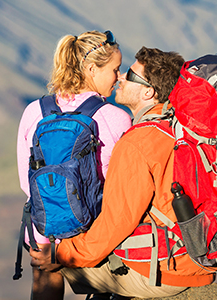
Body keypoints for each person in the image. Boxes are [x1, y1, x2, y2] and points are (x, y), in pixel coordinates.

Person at [30, 47, 216, 298]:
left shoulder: (137, 144)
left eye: (129, 75)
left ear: (148, 91)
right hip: (195, 259)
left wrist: (61, 254)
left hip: (166, 272)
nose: (120, 78)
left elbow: (115, 223)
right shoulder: (178, 129)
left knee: (50, 262)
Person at [16, 30, 131, 299]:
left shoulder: (35, 111)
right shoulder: (116, 118)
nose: (118, 78)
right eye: (115, 69)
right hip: (93, 236)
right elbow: (121, 188)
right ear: (92, 69)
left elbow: (27, 181)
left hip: (45, 233)